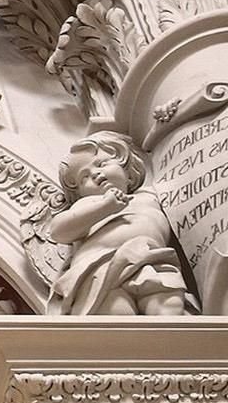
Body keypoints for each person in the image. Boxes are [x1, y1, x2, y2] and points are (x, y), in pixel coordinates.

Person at [46, 132, 191, 315]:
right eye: (84, 177)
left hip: (152, 258)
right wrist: (105, 207)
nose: (95, 174)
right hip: (102, 266)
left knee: (170, 305)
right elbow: (58, 231)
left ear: (129, 173)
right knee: (116, 313)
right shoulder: (89, 203)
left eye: (101, 164)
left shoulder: (150, 196)